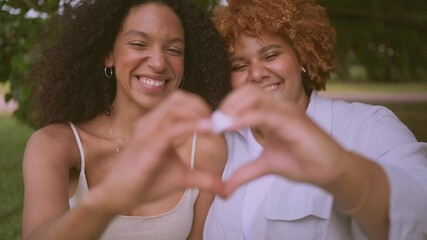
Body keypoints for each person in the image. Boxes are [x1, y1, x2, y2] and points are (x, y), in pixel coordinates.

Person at [201, 0, 427, 239]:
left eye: (271, 54)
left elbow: (420, 213)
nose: (257, 73)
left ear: (301, 55)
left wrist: (342, 170)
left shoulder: (368, 126)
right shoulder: (220, 143)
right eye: (240, 65)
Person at [22, 0, 231, 239]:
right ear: (107, 54)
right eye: (139, 44)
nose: (158, 62)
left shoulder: (205, 149)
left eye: (173, 50)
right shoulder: (55, 146)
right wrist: (109, 199)